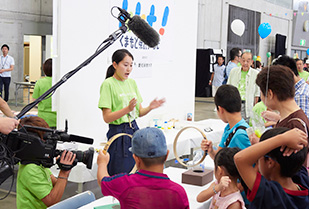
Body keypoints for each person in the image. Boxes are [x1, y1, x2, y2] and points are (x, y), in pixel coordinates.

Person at [98, 49, 165, 176]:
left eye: (131, 65)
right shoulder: (108, 84)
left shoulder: (132, 83)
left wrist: (150, 107)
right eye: (125, 65)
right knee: (120, 173)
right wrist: (127, 110)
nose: (129, 69)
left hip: (134, 129)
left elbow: (139, 112)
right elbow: (107, 118)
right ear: (115, 65)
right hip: (117, 133)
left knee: (137, 171)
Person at [97, 127, 189, 209]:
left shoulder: (125, 184)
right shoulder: (178, 192)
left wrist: (102, 163)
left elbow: (103, 181)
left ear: (136, 158)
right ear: (167, 155)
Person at [234, 127, 309, 209]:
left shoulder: (270, 194)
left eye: (259, 158)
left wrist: (283, 138)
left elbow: (239, 159)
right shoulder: (302, 179)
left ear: (270, 162)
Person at [16, 116, 76, 209]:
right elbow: (52, 201)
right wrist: (63, 173)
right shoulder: (30, 168)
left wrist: (65, 169)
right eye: (44, 139)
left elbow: (56, 185)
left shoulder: (37, 163)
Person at [256, 65, 309, 167]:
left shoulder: (295, 125)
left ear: (269, 94)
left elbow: (288, 170)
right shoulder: (288, 118)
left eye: (261, 92)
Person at [201, 85, 251, 160]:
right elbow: (219, 159)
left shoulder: (240, 135)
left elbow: (250, 166)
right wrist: (211, 151)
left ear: (220, 109)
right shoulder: (229, 128)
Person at [227, 52, 260, 122]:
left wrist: (254, 107)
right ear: (240, 60)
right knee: (234, 123)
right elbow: (228, 87)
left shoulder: (255, 74)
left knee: (245, 125)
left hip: (247, 104)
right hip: (235, 103)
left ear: (251, 62)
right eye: (243, 60)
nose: (245, 63)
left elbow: (257, 93)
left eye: (248, 61)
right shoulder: (234, 71)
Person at [32, 58, 57, 128]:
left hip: (43, 119)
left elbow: (34, 101)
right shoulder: (60, 82)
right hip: (58, 118)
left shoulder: (40, 82)